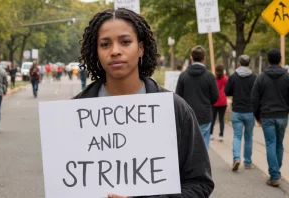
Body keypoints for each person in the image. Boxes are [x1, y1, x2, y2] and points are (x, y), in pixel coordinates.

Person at [73, 8, 214, 197]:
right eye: (105, 44)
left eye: (125, 42)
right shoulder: (74, 113)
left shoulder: (175, 109)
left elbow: (199, 183)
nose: (115, 51)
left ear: (140, 48)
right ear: (96, 51)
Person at [251, 49, 289, 187]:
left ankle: (274, 175)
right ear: (280, 59)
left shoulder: (261, 77)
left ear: (268, 60)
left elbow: (254, 98)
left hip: (267, 115)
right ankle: (276, 173)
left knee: (271, 144)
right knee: (279, 144)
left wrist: (257, 115)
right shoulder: (287, 76)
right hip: (283, 115)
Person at [176, 46, 219, 150]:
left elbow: (178, 96)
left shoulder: (183, 76)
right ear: (204, 58)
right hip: (204, 114)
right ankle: (203, 165)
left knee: (189, 145)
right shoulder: (209, 76)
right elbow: (215, 96)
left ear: (191, 58)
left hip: (187, 115)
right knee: (204, 145)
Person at [225, 55, 256, 172]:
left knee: (237, 136)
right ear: (249, 64)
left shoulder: (233, 77)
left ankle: (236, 159)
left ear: (239, 63)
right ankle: (247, 162)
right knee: (248, 137)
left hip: (237, 111)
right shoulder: (254, 77)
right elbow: (257, 94)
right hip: (249, 111)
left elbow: (227, 91)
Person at [210, 65, 228, 141]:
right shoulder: (226, 78)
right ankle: (221, 135)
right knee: (221, 119)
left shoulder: (213, 79)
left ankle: (210, 134)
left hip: (215, 101)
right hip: (223, 101)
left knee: (212, 119)